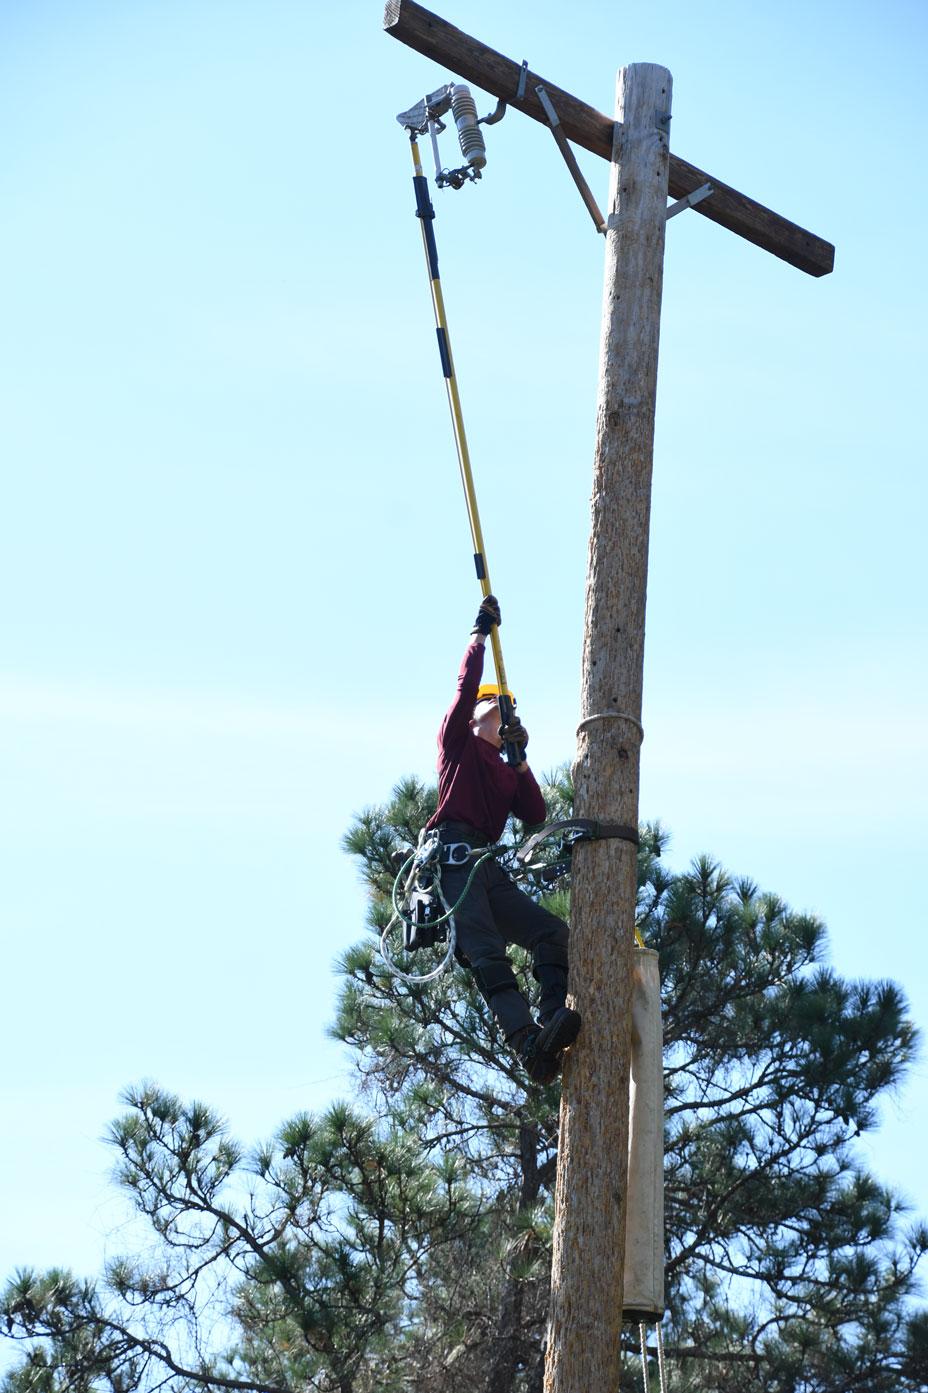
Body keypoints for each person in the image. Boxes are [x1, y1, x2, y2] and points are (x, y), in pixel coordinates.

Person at [425, 594, 581, 1083]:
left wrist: (521, 762)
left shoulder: (504, 769)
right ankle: (527, 1044)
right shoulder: (457, 744)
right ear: (476, 717)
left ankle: (553, 1017)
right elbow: (465, 687)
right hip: (454, 861)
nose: (509, 712)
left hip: (485, 867)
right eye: (500, 706)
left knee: (553, 934)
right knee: (487, 951)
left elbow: (534, 812)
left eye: (512, 709)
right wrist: (479, 635)